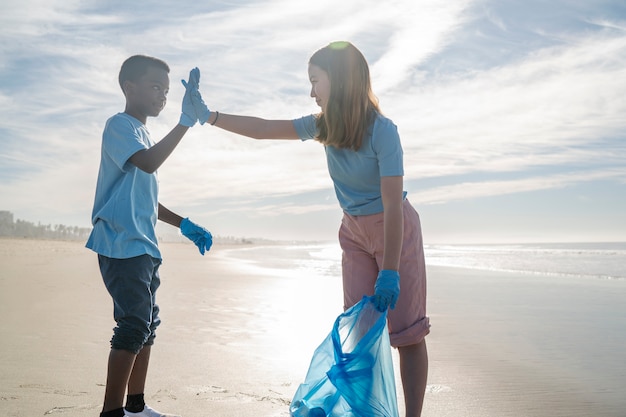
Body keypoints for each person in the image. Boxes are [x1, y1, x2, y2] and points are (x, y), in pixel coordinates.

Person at [194, 41, 430, 417]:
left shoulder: (384, 131)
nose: (311, 92)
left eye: (315, 81)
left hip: (393, 229)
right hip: (352, 231)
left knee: (407, 334)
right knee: (357, 333)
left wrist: (390, 270)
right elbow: (263, 129)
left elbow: (391, 203)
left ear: (341, 81)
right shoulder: (324, 127)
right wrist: (210, 116)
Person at [86, 55, 213, 417]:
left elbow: (148, 198)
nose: (163, 96)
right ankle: (111, 412)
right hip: (120, 243)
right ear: (130, 87)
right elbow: (148, 163)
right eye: (156, 87)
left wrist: (184, 224)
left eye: (168, 91)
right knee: (134, 323)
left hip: (144, 244)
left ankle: (136, 408)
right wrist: (185, 123)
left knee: (148, 326)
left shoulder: (143, 134)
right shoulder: (119, 126)